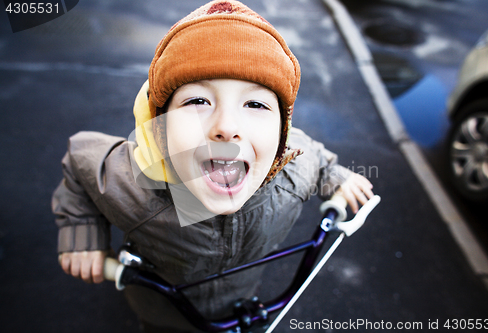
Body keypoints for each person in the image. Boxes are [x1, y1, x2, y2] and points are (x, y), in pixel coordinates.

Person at [52, 1, 374, 332]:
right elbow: (81, 162)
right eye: (197, 101)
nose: (226, 126)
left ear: (282, 135)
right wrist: (83, 236)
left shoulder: (293, 172)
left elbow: (316, 158)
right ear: (159, 125)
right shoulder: (134, 181)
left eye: (255, 104)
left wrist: (334, 178)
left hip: (243, 301)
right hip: (163, 313)